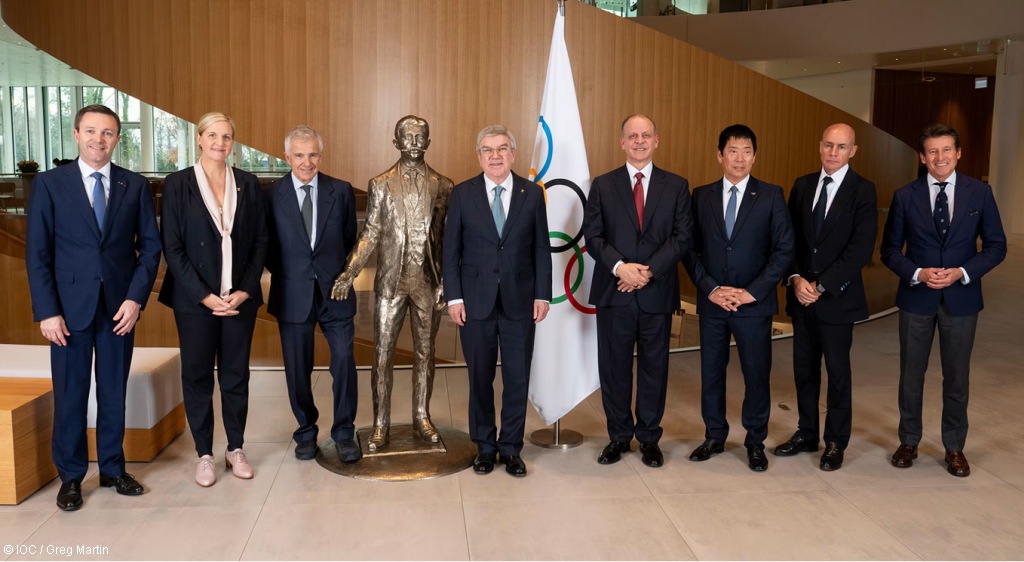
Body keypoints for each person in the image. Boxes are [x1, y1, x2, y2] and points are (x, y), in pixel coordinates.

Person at [26, 104, 161, 511]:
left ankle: (112, 468)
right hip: (67, 312)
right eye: (90, 131)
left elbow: (150, 249)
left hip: (119, 310)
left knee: (113, 392)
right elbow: (38, 253)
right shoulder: (51, 184)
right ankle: (70, 476)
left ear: (118, 138)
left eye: (107, 133)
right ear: (75, 133)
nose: (98, 139)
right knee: (70, 395)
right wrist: (47, 311)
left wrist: (136, 299)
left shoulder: (134, 185)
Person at [880, 123, 1006, 477]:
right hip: (916, 297)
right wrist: (918, 272)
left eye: (946, 150)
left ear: (958, 153)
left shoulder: (979, 193)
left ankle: (954, 447)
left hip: (961, 299)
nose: (940, 157)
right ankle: (909, 441)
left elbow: (996, 246)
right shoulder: (905, 195)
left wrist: (962, 272)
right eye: (932, 152)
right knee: (911, 375)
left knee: (956, 377)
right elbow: (889, 250)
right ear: (922, 157)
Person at [330, 115, 453, 451]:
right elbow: (370, 232)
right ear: (396, 141)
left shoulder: (443, 185)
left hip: (428, 283)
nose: (414, 142)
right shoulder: (380, 183)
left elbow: (447, 239)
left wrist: (448, 283)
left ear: (428, 142)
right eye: (407, 136)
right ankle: (380, 423)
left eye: (420, 136)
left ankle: (421, 417)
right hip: (390, 284)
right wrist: (349, 272)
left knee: (425, 354)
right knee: (382, 355)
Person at [159, 112, 268, 487]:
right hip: (195, 303)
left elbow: (260, 242)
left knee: (236, 376)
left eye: (226, 136)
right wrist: (204, 296)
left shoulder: (249, 184)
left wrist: (246, 289)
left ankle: (235, 447)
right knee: (198, 376)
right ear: (199, 140)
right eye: (212, 135)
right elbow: (172, 248)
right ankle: (204, 453)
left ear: (232, 143)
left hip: (239, 300)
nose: (220, 142)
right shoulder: (177, 184)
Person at [582, 114, 692, 468]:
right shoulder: (602, 184)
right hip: (615, 291)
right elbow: (593, 236)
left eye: (646, 135)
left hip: (656, 292)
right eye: (633, 136)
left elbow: (682, 237)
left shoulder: (676, 185)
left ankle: (648, 438)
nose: (640, 141)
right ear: (622, 142)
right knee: (614, 368)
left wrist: (646, 272)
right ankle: (618, 437)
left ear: (656, 140)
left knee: (654, 368)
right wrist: (621, 267)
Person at [682, 124, 794, 472]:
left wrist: (751, 292)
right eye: (733, 150)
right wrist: (712, 289)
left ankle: (755, 441)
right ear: (720, 155)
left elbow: (784, 249)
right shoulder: (700, 196)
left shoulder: (772, 195)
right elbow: (689, 250)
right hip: (713, 304)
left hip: (753, 305)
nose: (740, 158)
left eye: (747, 151)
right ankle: (715, 435)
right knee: (712, 373)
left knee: (756, 374)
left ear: (754, 156)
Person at [443, 125, 551, 477]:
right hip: (475, 303)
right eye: (487, 150)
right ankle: (486, 447)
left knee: (517, 379)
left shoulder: (532, 194)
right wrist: (454, 297)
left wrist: (542, 294)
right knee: (480, 379)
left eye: (502, 148)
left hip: (521, 301)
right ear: (479, 155)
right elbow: (451, 251)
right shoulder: (462, 194)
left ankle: (511, 449)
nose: (495, 155)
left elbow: (540, 249)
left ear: (513, 154)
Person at [775, 123, 877, 471]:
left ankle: (835, 441)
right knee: (804, 370)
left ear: (853, 151)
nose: (834, 152)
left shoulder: (863, 191)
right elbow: (788, 240)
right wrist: (795, 279)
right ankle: (806, 433)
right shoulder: (803, 185)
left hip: (836, 298)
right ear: (820, 147)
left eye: (842, 147)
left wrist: (820, 286)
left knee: (837, 372)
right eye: (829, 145)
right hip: (801, 297)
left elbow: (860, 249)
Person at [265, 126, 360, 462]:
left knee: (345, 362)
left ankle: (345, 432)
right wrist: (293, 273)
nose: (307, 162)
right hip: (292, 293)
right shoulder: (271, 194)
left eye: (313, 155)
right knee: (297, 368)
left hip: (335, 292)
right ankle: (306, 432)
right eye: (300, 155)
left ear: (321, 155)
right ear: (287, 156)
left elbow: (349, 239)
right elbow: (268, 246)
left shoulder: (342, 191)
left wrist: (335, 274)